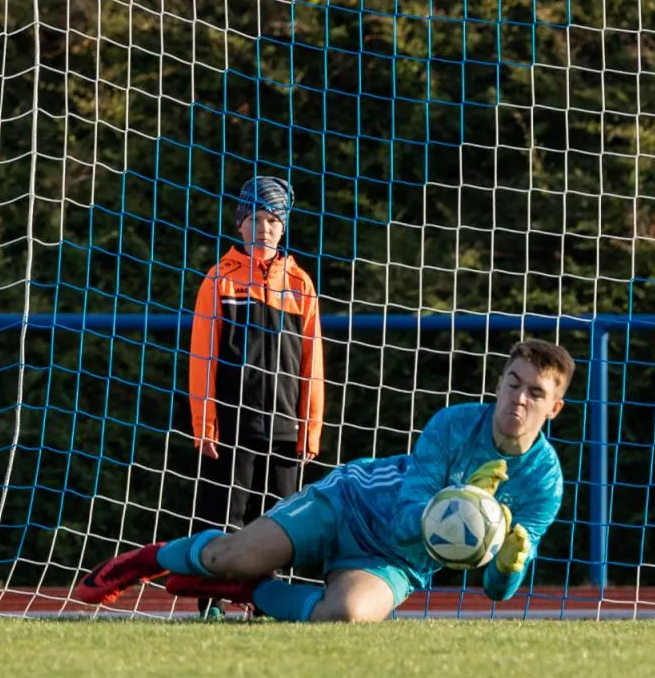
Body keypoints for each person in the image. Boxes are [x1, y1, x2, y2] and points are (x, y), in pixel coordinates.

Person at [77, 340, 573, 621]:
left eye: (535, 393)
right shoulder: (453, 425)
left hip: (396, 561)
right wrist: (463, 500)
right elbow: (407, 516)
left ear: (554, 408)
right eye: (512, 383)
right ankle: (145, 559)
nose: (519, 399)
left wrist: (508, 563)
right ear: (499, 382)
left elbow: (496, 591)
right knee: (228, 554)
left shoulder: (545, 483)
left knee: (348, 615)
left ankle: (249, 591)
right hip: (350, 502)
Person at [186, 177, 323, 608]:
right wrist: (205, 424)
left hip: (285, 429)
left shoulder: (299, 284)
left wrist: (310, 430)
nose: (264, 228)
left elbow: (312, 362)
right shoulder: (219, 280)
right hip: (232, 427)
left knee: (279, 528)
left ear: (284, 227)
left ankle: (268, 606)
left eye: (273, 220)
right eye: (256, 219)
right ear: (240, 223)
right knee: (222, 520)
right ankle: (210, 604)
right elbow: (202, 357)